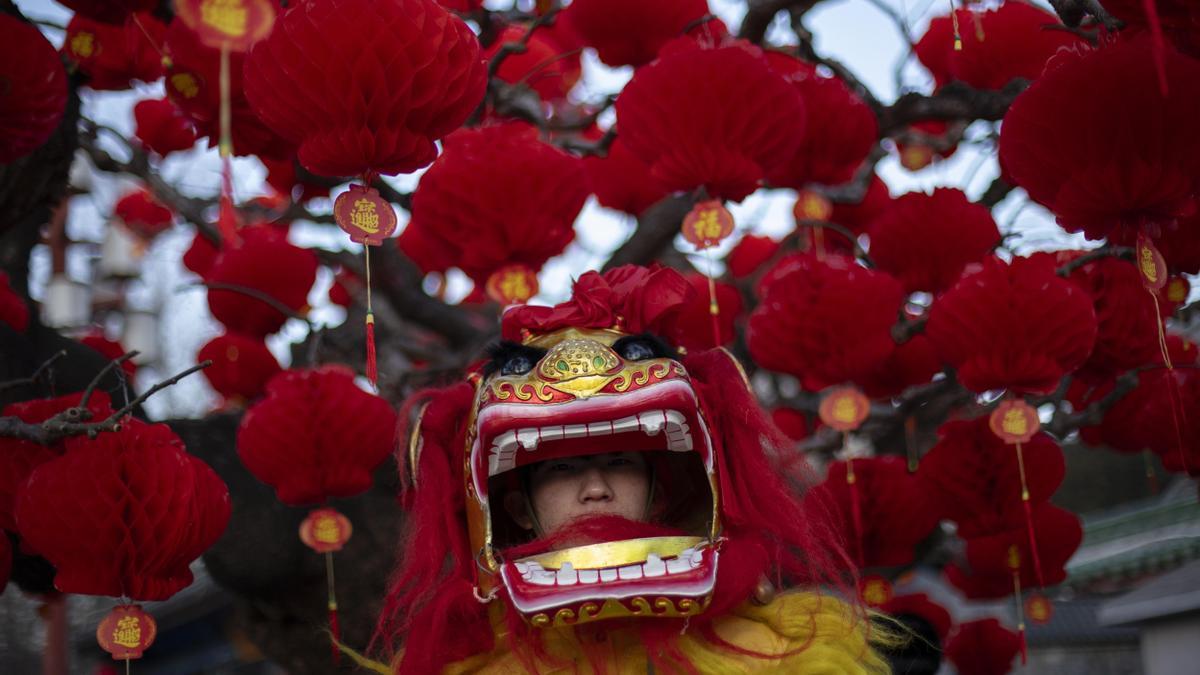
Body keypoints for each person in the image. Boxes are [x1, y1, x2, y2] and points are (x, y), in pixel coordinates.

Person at [368, 264, 895, 674]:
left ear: (658, 490)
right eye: (562, 469)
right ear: (514, 509)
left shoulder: (779, 654)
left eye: (619, 462)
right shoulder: (473, 668)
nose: (595, 490)